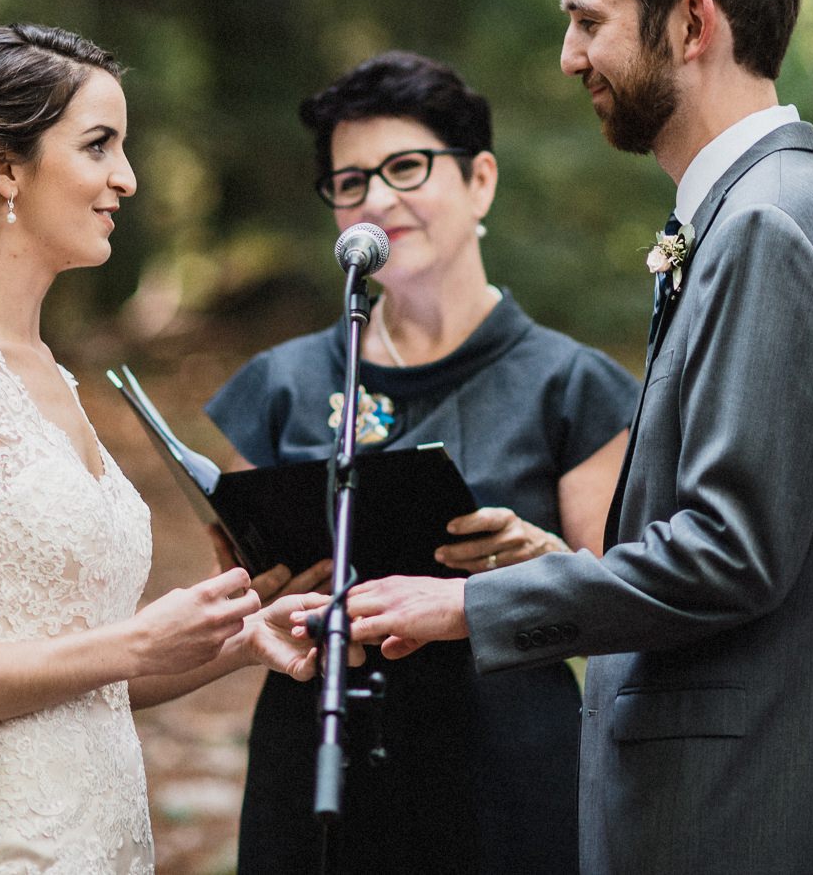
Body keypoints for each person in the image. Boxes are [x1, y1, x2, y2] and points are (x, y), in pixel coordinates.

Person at [340, 0, 813, 873]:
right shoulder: (776, 207)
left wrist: (466, 608)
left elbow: (730, 551)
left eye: (588, 22)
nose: (568, 59)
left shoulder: (767, 227)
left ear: (691, 23)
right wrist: (544, 567)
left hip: (744, 814)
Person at [0, 23, 320, 873]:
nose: (125, 180)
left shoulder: (49, 375)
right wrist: (130, 644)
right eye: (99, 146)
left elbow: (75, 683)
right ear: (4, 167)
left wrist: (233, 639)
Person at [205, 51, 640, 874]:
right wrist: (263, 600)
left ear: (480, 180)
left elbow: (626, 607)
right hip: (318, 748)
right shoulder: (279, 384)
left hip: (507, 761)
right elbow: (239, 600)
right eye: (350, 181)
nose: (377, 199)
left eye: (406, 167)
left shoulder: (571, 385)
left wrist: (545, 562)